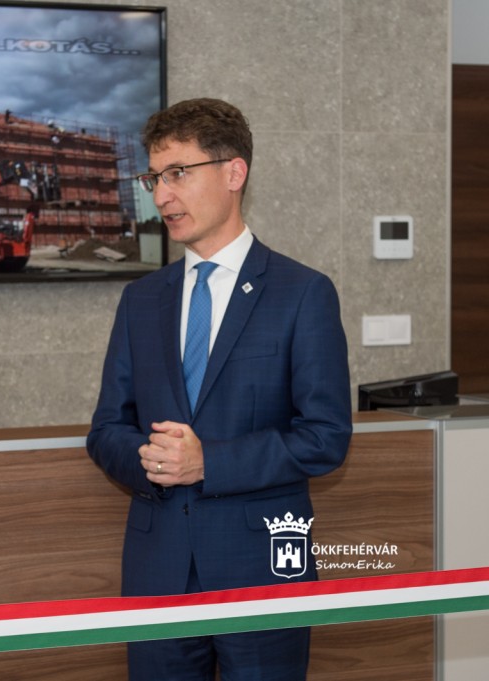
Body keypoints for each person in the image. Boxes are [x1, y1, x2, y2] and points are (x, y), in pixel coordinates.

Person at [86, 98, 352, 680]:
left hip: (262, 567)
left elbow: (326, 437)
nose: (161, 195)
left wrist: (208, 462)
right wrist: (149, 458)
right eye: (154, 178)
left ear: (234, 173)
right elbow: (105, 429)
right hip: (157, 570)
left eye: (178, 173)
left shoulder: (302, 293)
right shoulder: (140, 301)